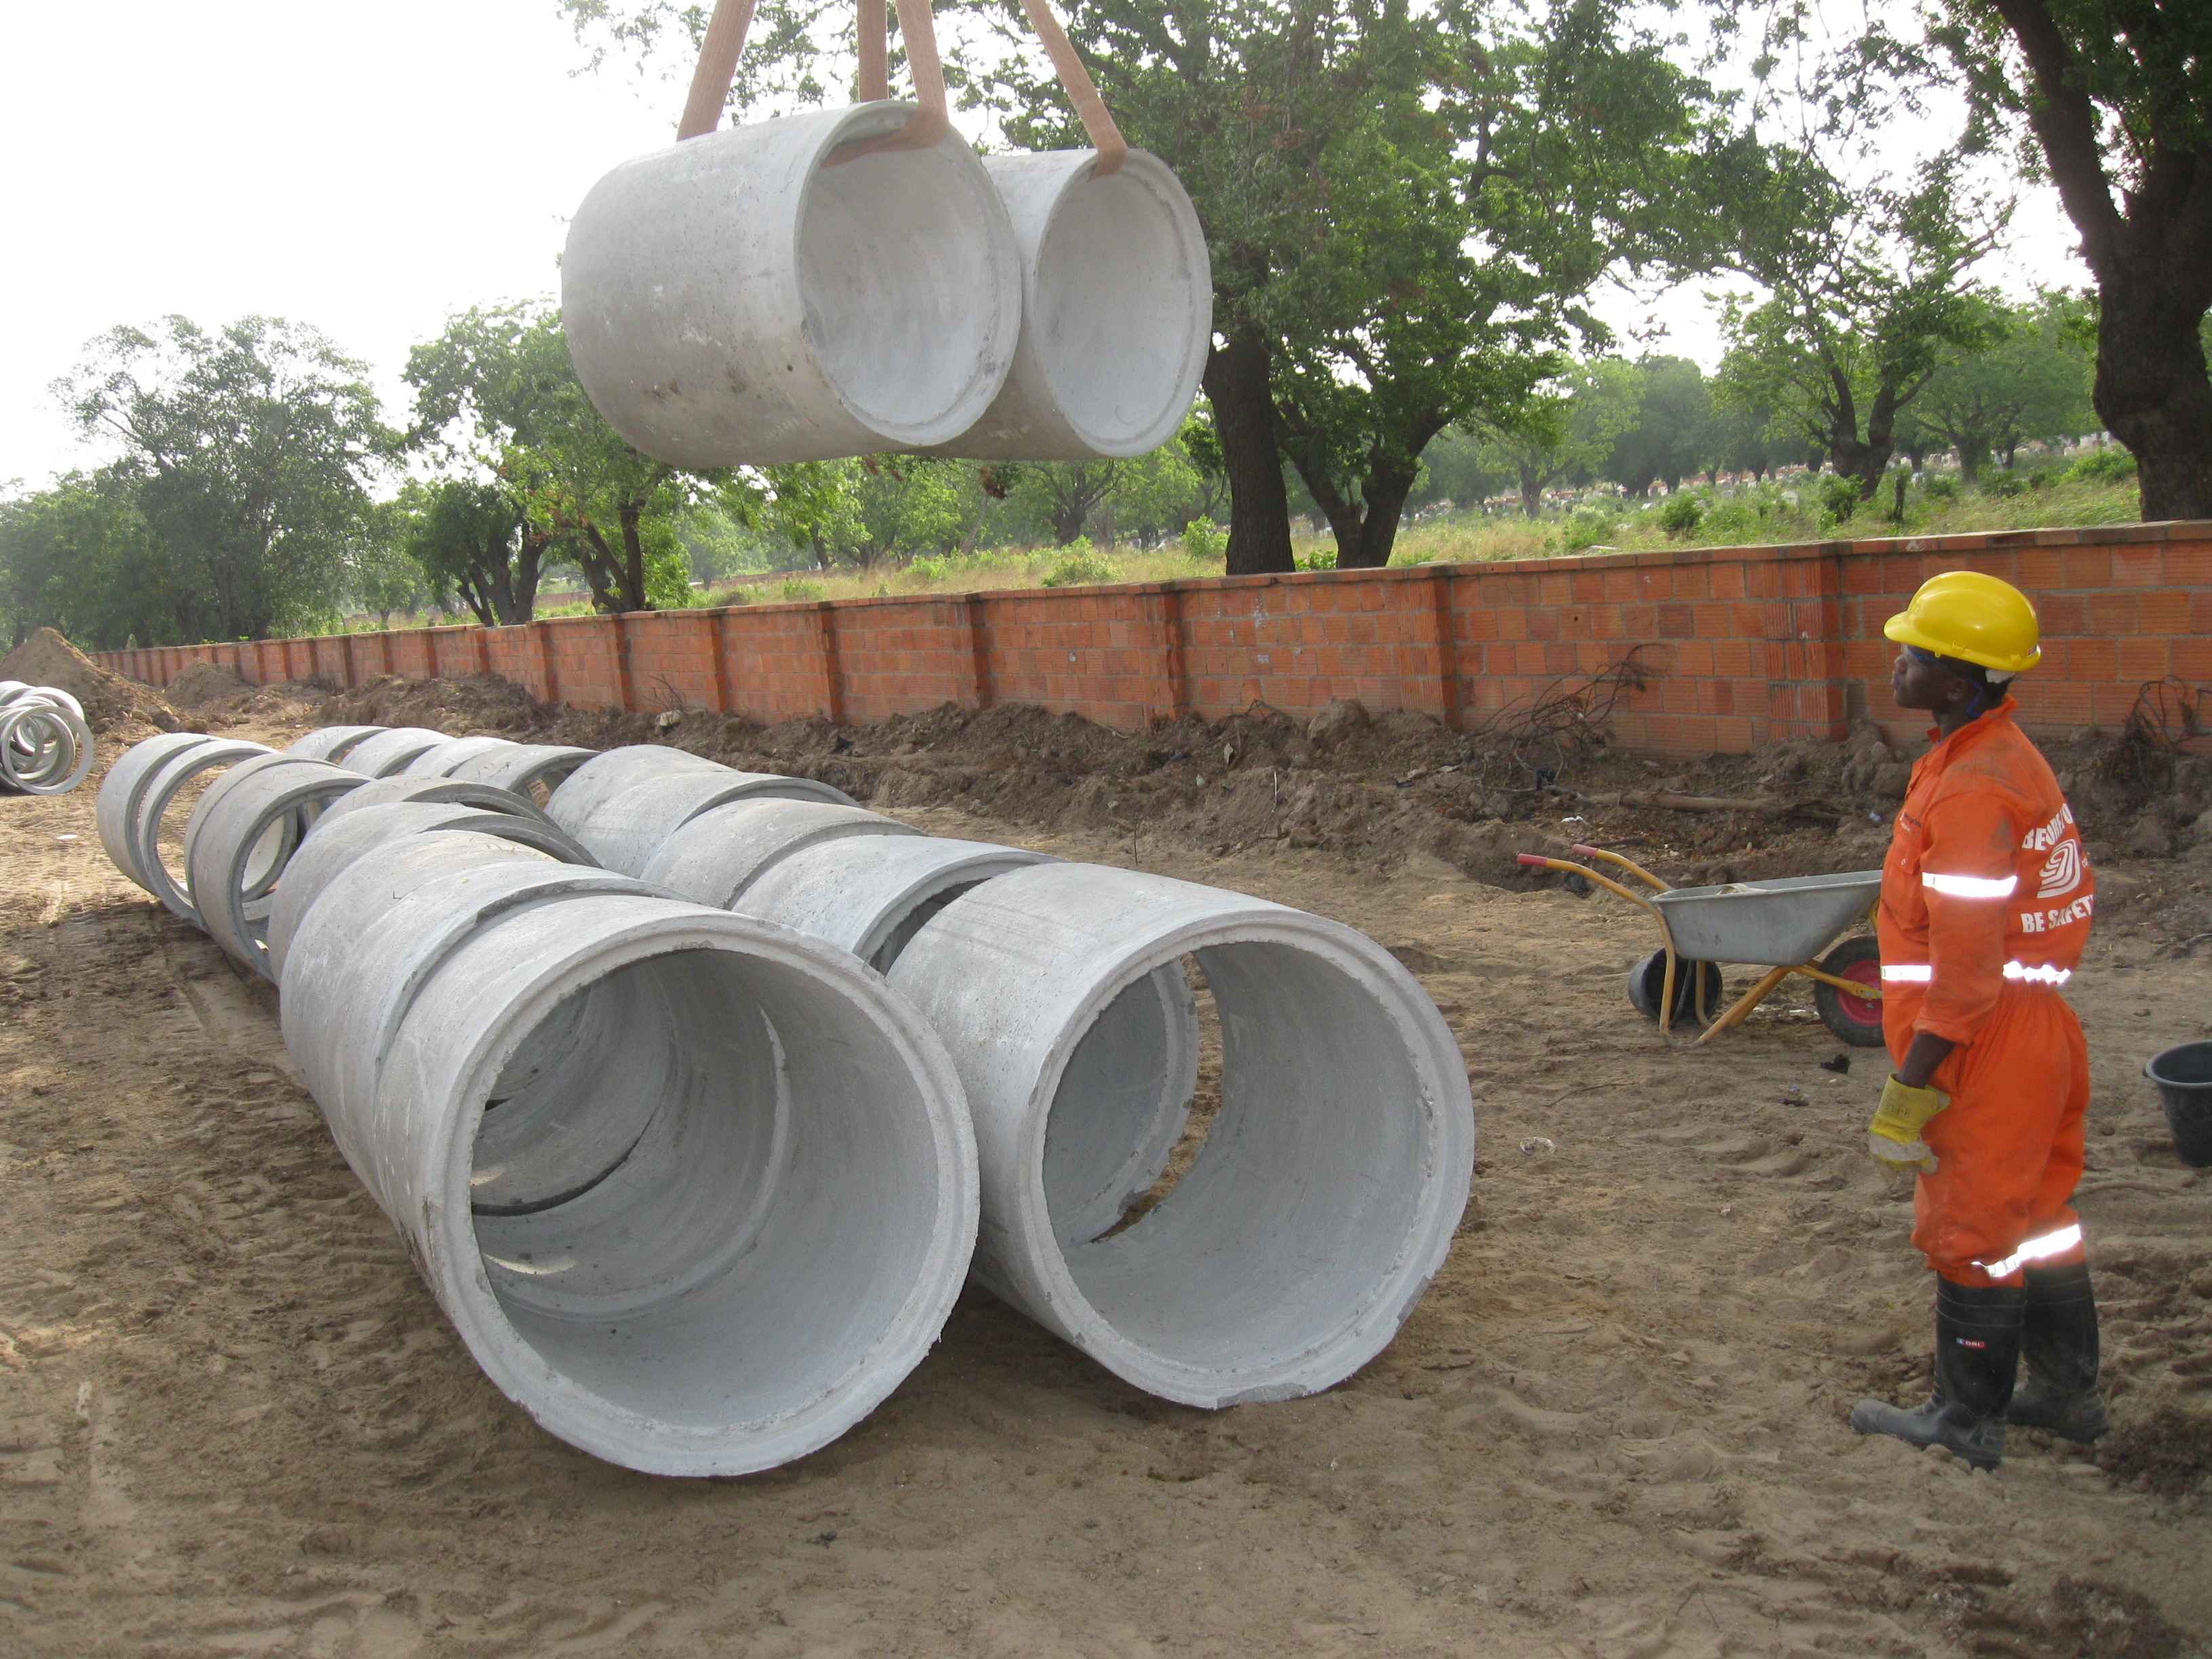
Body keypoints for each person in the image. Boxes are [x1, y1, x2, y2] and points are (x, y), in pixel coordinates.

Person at [1848, 569, 2106, 1471]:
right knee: (2038, 1216)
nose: (1895, 663)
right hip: (2038, 1026)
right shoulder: (1998, 754)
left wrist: (1912, 1082)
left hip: (1984, 1040)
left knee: (1969, 1234)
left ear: (1956, 682)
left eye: (1911, 654)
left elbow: (1961, 971)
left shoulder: (1968, 794)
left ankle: (1964, 1421)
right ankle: (2070, 1394)